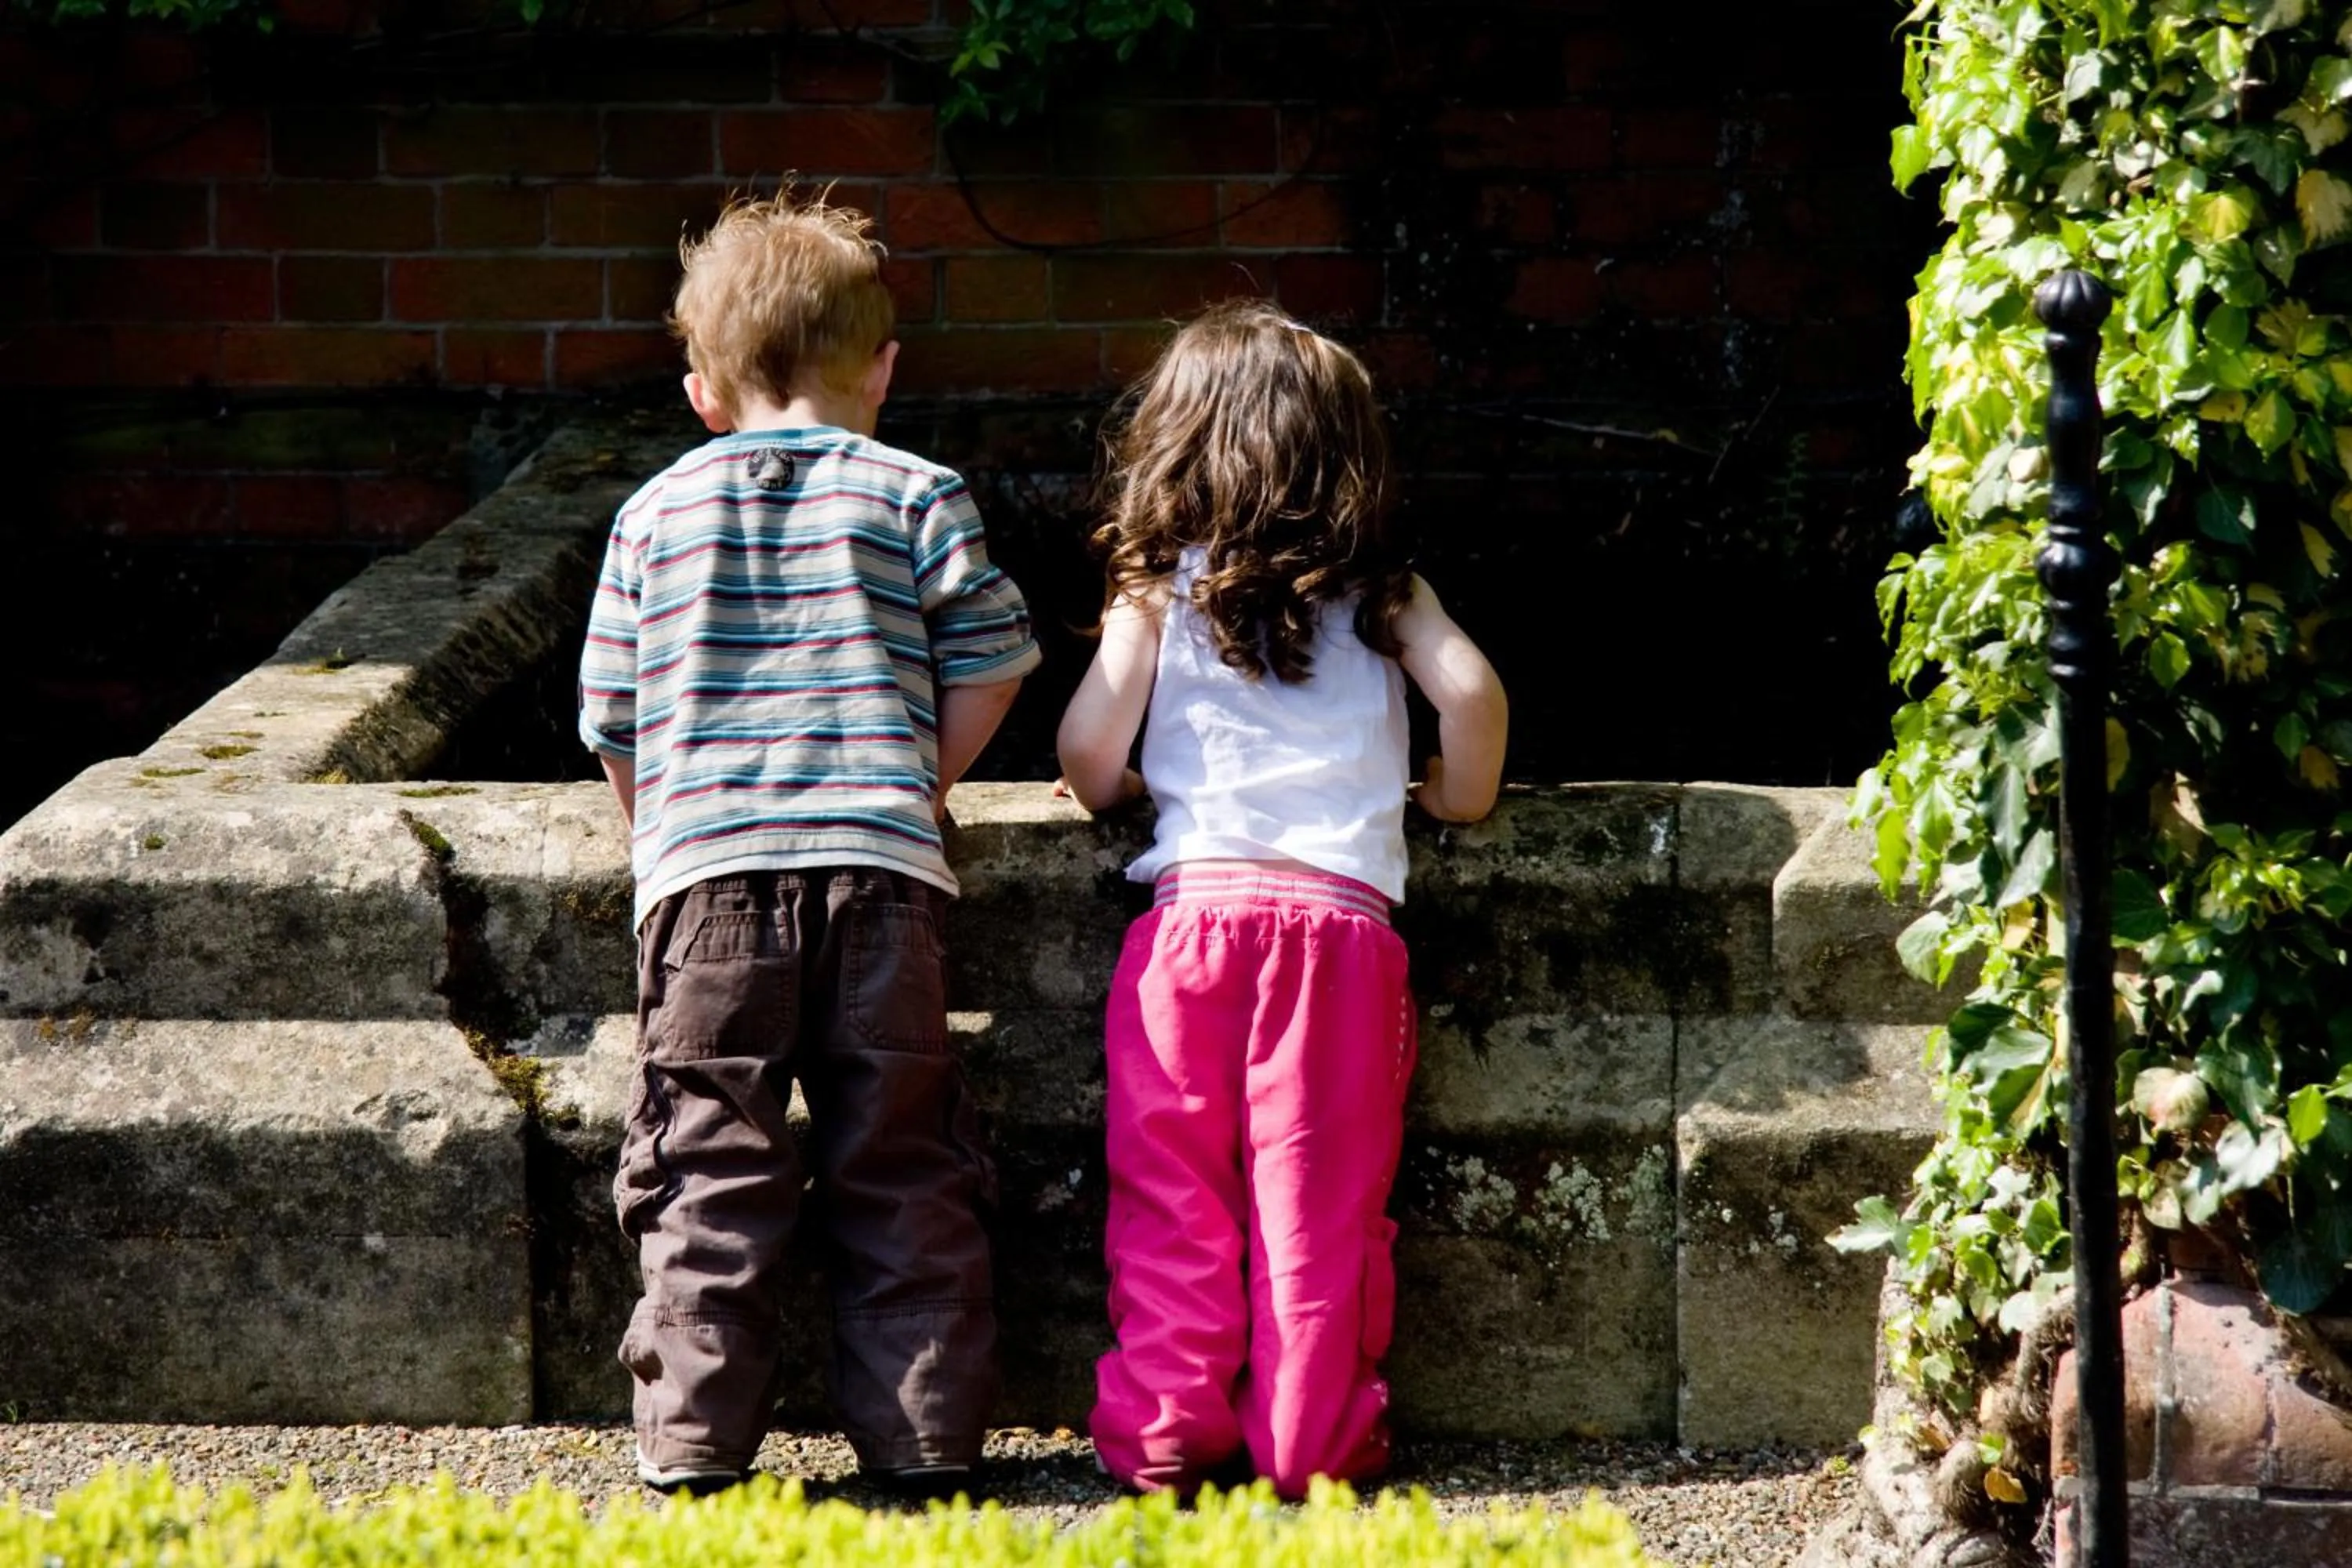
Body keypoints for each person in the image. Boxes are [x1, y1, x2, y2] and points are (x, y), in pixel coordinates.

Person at [578, 191, 1040, 1497]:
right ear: (884, 368)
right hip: (884, 877)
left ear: (699, 389)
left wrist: (657, 827)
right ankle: (926, 1438)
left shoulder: (651, 517)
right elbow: (998, 661)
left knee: (705, 1160)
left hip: (706, 883)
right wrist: (917, 775)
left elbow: (612, 718)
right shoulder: (918, 492)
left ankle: (695, 1443)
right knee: (899, 1153)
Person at [1055, 299, 1509, 1500]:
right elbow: (1471, 699)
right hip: (1342, 944)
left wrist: (1140, 768)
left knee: (1173, 1200)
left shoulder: (1157, 587)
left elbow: (1087, 760)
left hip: (1192, 934)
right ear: (1345, 456)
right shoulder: (1387, 592)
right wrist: (1453, 801)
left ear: (1180, 446)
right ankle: (1309, 1447)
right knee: (1318, 1215)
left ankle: (1164, 1438)